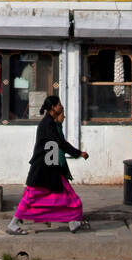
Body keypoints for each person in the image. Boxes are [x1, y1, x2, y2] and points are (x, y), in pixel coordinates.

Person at [7, 96, 91, 235]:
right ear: (53, 107)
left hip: (50, 166)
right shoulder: (47, 124)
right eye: (59, 105)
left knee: (66, 195)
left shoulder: (50, 122)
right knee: (31, 196)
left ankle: (72, 221)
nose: (61, 107)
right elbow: (60, 143)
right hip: (42, 168)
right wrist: (78, 153)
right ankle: (13, 224)